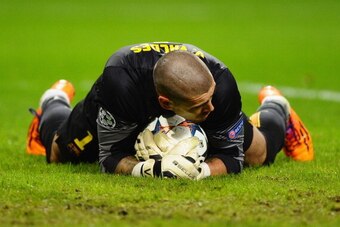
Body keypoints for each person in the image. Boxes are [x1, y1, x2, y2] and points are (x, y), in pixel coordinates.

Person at [26, 42, 314, 180]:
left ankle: (277, 106)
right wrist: (147, 169)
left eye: (210, 99)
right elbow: (109, 157)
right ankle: (55, 99)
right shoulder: (120, 85)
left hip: (183, 94)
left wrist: (199, 172)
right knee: (59, 154)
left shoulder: (220, 87)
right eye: (201, 105)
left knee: (258, 155)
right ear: (166, 103)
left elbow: (233, 158)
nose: (210, 108)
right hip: (125, 107)